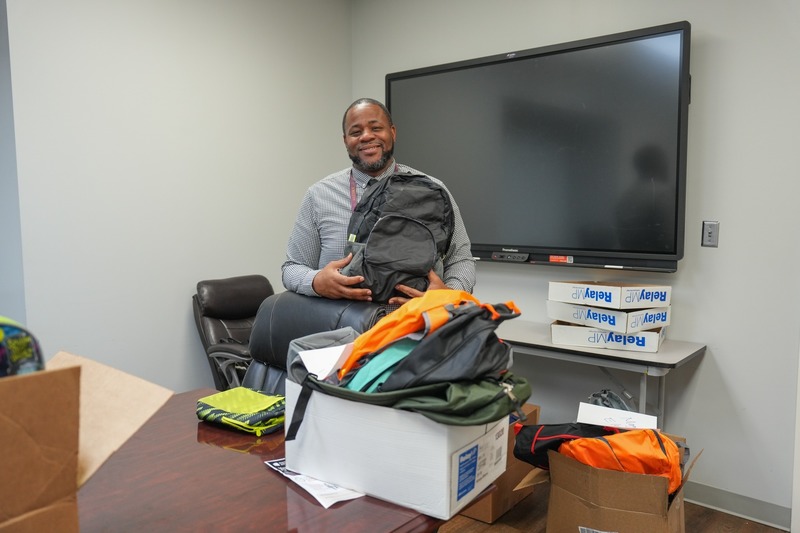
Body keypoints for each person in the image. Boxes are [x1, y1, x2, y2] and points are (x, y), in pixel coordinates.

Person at [281, 97, 476, 305]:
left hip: (414, 321)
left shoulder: (433, 190)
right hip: (341, 321)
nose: (366, 136)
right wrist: (316, 281)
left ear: (393, 132)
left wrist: (449, 294)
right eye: (356, 132)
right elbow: (291, 268)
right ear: (345, 140)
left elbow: (461, 259)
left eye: (376, 128)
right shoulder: (319, 195)